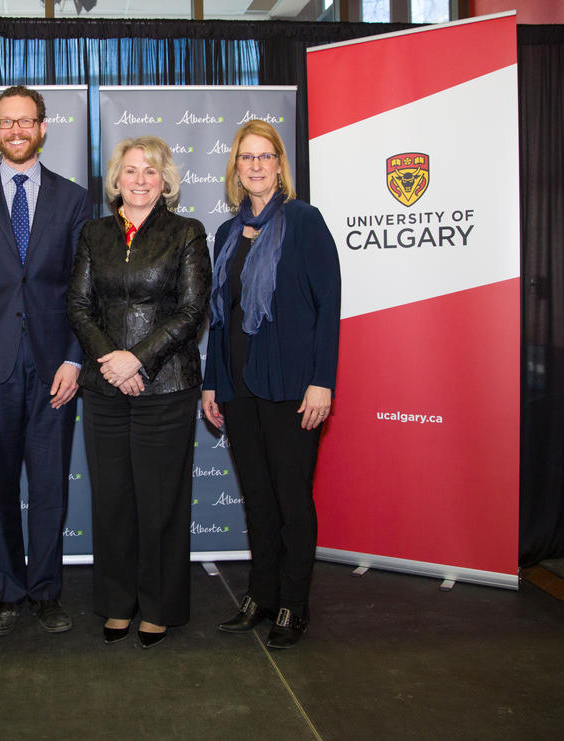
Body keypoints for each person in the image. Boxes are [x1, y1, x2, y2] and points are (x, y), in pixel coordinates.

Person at [0, 85, 88, 636]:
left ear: (43, 128)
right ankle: (5, 593)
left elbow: (84, 290)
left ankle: (48, 593)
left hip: (56, 368)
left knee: (50, 486)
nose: (16, 131)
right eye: (7, 122)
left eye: (26, 121)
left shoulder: (74, 199)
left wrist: (75, 360)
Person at [201, 120, 341, 649]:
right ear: (235, 168)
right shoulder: (227, 232)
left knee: (291, 499)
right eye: (246, 157)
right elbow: (220, 315)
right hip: (238, 387)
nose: (256, 165)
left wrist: (321, 382)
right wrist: (213, 384)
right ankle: (260, 597)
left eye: (265, 156)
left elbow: (329, 306)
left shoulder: (305, 222)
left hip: (291, 387)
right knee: (256, 497)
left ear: (281, 165)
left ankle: (292, 604)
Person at [67, 136, 210, 649]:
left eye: (151, 171)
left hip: (166, 387)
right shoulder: (94, 233)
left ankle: (159, 606)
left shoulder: (187, 233)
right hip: (106, 389)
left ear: (165, 180)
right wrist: (113, 361)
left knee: (160, 503)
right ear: (116, 180)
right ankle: (117, 601)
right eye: (131, 171)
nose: (141, 180)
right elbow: (79, 306)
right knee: (112, 501)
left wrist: (138, 359)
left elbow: (192, 311)